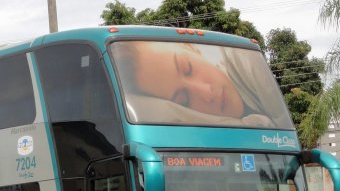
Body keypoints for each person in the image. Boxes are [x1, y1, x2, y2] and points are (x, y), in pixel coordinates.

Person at [110, 41, 293, 128]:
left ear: (191, 47)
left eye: (188, 68)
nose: (207, 93)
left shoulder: (244, 62)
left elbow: (279, 136)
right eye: (184, 100)